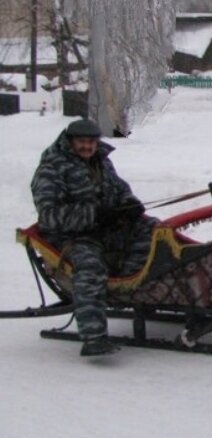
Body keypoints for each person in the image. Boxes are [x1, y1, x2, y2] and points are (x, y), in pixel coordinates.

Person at [31, 119, 156, 357]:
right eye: (82, 142)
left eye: (91, 142)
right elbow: (49, 216)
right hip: (74, 238)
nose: (88, 147)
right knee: (90, 268)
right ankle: (93, 337)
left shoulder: (102, 161)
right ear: (70, 142)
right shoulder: (51, 168)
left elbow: (120, 189)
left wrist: (129, 205)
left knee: (154, 231)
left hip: (106, 229)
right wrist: (94, 215)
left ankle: (127, 288)